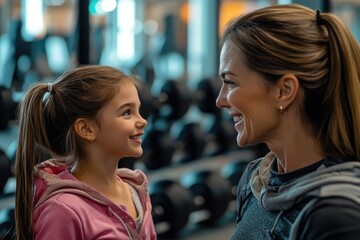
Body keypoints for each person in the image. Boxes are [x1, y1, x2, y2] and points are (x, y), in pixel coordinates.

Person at [216, 4, 360, 240]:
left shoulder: (336, 216)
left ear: (284, 90)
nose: (220, 100)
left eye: (230, 82)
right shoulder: (255, 183)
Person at [14, 65, 156, 240]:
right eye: (127, 112)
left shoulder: (136, 191)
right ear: (86, 129)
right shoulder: (62, 211)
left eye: (138, 111)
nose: (142, 121)